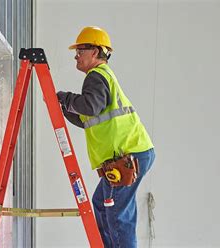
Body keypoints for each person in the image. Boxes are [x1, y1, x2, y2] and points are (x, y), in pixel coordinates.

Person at [56, 26, 156, 247]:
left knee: (118, 215)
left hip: (128, 156)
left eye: (80, 50)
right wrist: (64, 109)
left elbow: (90, 106)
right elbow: (88, 119)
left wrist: (64, 98)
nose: (76, 55)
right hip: (133, 154)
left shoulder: (96, 76)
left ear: (95, 51)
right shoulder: (103, 78)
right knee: (101, 204)